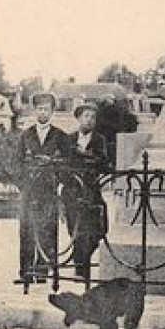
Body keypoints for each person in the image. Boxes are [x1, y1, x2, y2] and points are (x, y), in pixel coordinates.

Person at [15, 91, 68, 285]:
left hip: (49, 190)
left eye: (46, 109)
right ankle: (26, 271)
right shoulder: (25, 135)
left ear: (52, 112)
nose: (42, 112)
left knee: (48, 229)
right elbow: (17, 163)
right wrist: (23, 185)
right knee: (27, 229)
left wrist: (56, 173)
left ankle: (44, 270)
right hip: (29, 191)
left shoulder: (60, 136)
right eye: (39, 109)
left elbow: (66, 163)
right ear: (34, 110)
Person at [61, 102, 111, 280]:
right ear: (78, 118)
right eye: (86, 116)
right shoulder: (68, 139)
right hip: (72, 192)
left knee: (99, 228)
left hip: (91, 191)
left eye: (92, 117)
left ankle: (82, 261)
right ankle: (80, 268)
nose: (89, 120)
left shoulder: (99, 140)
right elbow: (64, 164)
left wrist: (83, 155)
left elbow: (103, 162)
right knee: (76, 228)